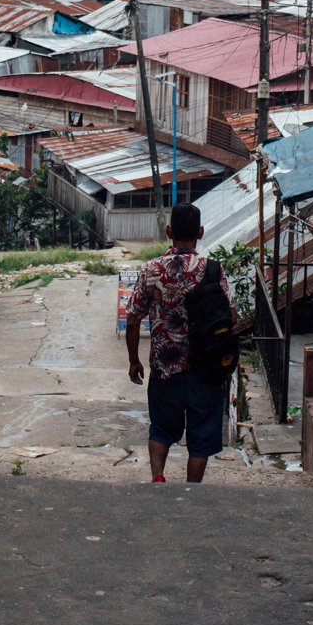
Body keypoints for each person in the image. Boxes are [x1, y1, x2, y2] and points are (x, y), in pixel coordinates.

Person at [124, 203, 231, 484]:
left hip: (164, 367)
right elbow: (230, 316)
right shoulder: (214, 271)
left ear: (169, 231)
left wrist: (133, 360)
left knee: (161, 430)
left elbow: (133, 318)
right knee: (201, 438)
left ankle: (158, 477)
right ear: (201, 232)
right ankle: (190, 491)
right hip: (205, 370)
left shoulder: (151, 270)